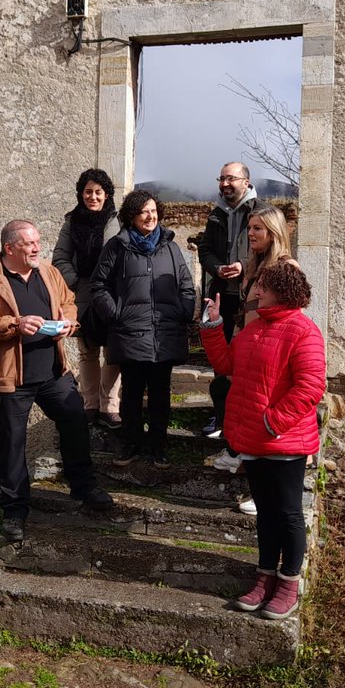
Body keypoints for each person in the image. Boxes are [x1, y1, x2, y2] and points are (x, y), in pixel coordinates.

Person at [0, 219, 114, 544]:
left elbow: (70, 301)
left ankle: (83, 486)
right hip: (10, 379)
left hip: (53, 372)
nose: (36, 247)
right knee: (11, 443)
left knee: (75, 420)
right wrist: (15, 324)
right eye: (29, 243)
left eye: (37, 242)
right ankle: (15, 511)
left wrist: (68, 322)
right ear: (9, 248)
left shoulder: (47, 271)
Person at [199, 262, 325, 619]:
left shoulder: (304, 331)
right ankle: (265, 576)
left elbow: (311, 386)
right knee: (266, 515)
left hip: (282, 441)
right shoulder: (255, 330)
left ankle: (288, 583)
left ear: (280, 290)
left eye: (261, 286)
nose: (254, 291)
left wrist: (273, 423)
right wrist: (212, 325)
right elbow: (225, 364)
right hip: (253, 440)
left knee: (287, 514)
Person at [91, 190, 195, 468]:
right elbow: (98, 286)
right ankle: (130, 444)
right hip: (130, 332)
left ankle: (158, 446)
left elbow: (186, 284)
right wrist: (116, 314)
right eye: (143, 212)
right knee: (132, 392)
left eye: (153, 211)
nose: (150, 217)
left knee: (160, 394)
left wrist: (184, 311)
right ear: (131, 216)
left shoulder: (171, 247)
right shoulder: (117, 247)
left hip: (165, 332)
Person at [209, 203, 299, 485]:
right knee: (226, 390)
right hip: (247, 341)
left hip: (268, 351)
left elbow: (291, 317)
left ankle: (247, 469)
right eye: (249, 227)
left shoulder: (285, 267)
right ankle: (237, 452)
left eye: (257, 228)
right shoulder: (255, 264)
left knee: (251, 404)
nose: (250, 233)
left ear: (273, 232)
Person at [53, 168, 122, 430]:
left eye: (98, 192)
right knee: (87, 350)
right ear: (81, 194)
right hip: (83, 294)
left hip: (111, 293)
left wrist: (104, 280)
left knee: (113, 352)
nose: (93, 197)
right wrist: (77, 280)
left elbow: (122, 256)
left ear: (107, 195)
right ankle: (90, 404)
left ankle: (110, 405)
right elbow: (59, 257)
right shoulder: (71, 223)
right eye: (88, 192)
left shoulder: (117, 220)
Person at [196, 162, 258, 440]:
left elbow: (271, 249)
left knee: (249, 361)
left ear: (246, 182)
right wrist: (217, 268)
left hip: (252, 300)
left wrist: (245, 268)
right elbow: (205, 250)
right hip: (223, 297)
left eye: (230, 179)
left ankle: (244, 417)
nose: (224, 184)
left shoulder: (262, 212)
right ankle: (220, 416)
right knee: (220, 361)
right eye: (221, 179)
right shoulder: (216, 214)